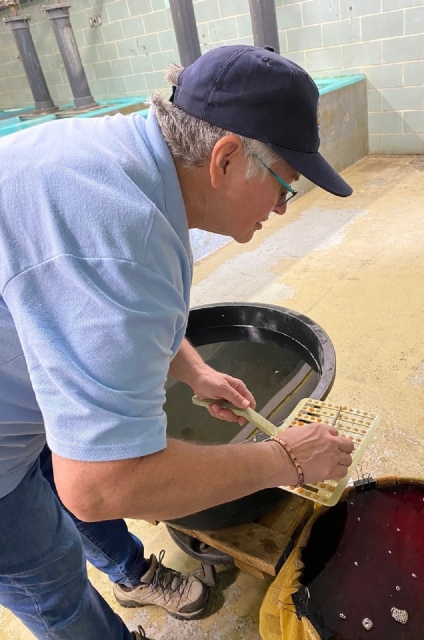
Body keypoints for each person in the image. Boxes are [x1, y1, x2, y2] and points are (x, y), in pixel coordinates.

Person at [0, 45, 354, 640]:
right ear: (225, 157)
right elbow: (97, 485)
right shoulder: (124, 236)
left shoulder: (124, 159)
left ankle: (127, 570)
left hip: (25, 377)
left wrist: (192, 369)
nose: (281, 208)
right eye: (284, 187)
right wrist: (285, 460)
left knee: (62, 457)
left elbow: (82, 299)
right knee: (52, 583)